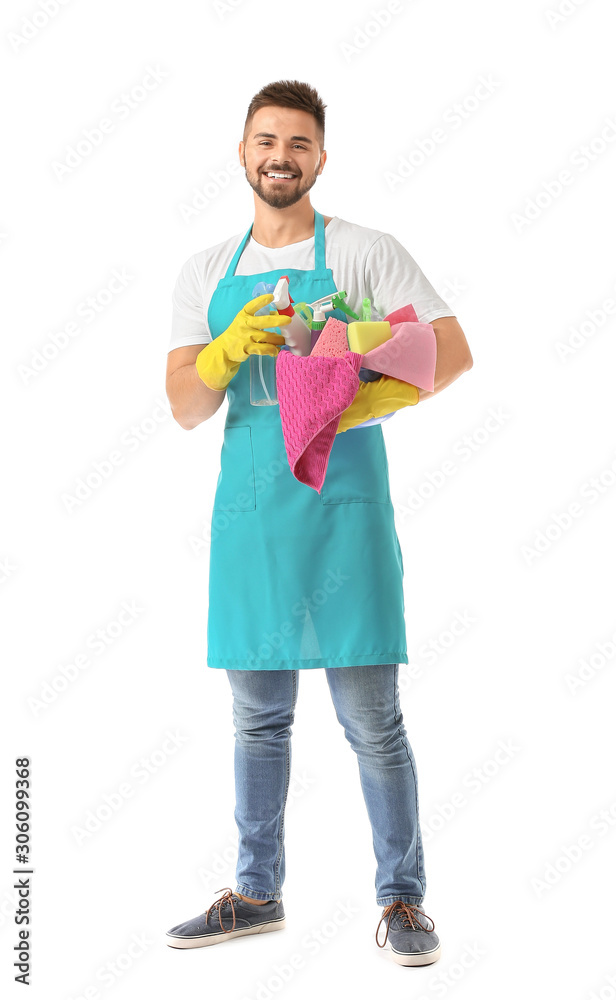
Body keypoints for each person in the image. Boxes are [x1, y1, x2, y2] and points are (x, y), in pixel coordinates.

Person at [165, 80, 473, 968]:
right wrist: (224, 353)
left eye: (298, 144)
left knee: (373, 721)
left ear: (320, 159)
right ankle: (256, 894)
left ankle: (402, 898)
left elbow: (451, 351)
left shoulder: (369, 252)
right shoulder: (204, 272)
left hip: (345, 513)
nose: (280, 157)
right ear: (242, 152)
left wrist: (367, 391)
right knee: (257, 723)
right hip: (253, 520)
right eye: (265, 141)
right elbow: (186, 405)